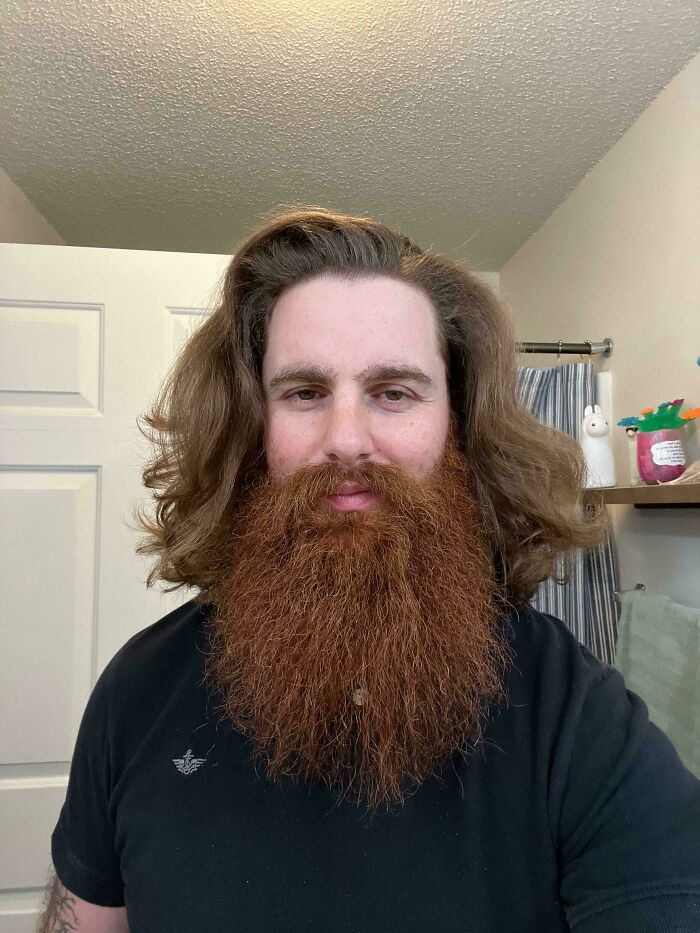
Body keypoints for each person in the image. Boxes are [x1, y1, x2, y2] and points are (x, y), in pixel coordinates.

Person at [40, 208, 700, 932]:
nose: (346, 439)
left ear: (461, 426)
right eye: (304, 392)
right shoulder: (136, 693)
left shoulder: (576, 714)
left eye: (394, 391)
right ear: (251, 430)